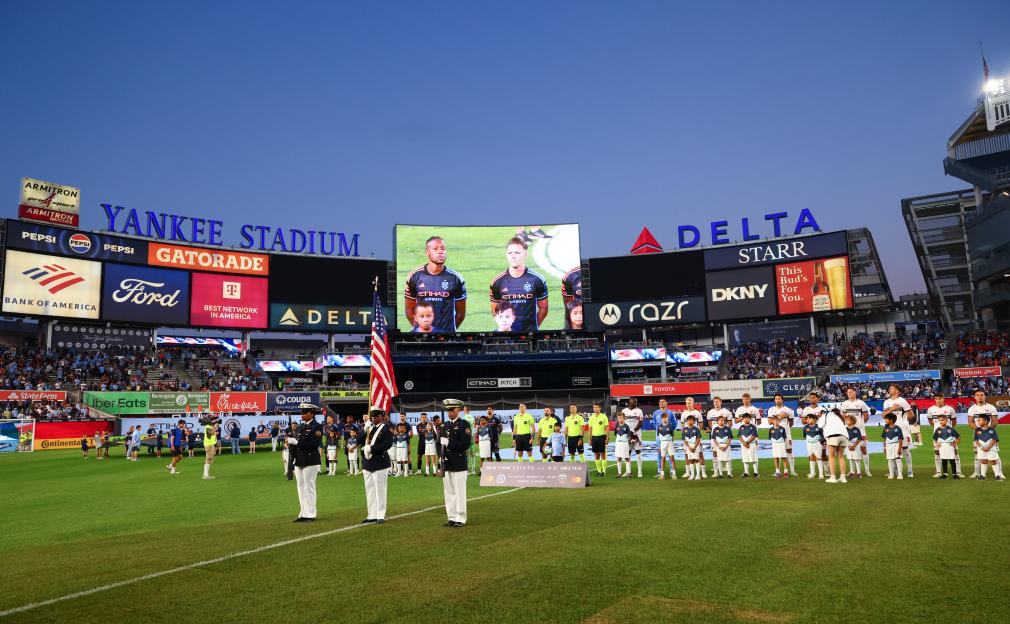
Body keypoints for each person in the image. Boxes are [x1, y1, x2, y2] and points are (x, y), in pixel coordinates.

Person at [403, 235, 467, 332]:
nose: (441, 251)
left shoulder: (456, 278)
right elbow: (409, 310)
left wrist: (446, 333)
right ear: (427, 252)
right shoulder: (414, 276)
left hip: (446, 338)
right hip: (421, 337)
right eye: (435, 249)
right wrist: (423, 330)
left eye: (443, 248)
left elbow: (461, 314)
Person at [489, 236, 549, 332]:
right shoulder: (497, 282)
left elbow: (544, 309)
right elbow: (495, 311)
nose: (513, 256)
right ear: (506, 255)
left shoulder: (537, 279)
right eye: (510, 253)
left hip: (529, 335)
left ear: (525, 254)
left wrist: (532, 328)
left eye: (517, 252)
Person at [441, 399, 471, 528]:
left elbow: (465, 444)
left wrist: (449, 444)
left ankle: (461, 517)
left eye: (452, 410)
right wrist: (441, 457)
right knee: (449, 493)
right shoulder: (445, 426)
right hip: (447, 463)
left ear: (458, 410)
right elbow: (440, 444)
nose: (449, 413)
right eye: (448, 410)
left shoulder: (464, 424)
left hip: (459, 463)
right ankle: (452, 517)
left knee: (459, 492)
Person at [360, 405, 393, 524]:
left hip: (380, 462)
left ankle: (380, 514)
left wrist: (371, 448)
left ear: (382, 417)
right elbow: (359, 441)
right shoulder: (370, 428)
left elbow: (387, 445)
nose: (374, 418)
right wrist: (364, 429)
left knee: (380, 489)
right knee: (369, 490)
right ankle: (371, 515)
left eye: (377, 416)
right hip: (367, 463)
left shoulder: (386, 429)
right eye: (372, 416)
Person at [291, 404, 324, 522]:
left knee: (309, 487)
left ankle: (310, 514)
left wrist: (297, 443)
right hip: (299, 460)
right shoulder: (301, 427)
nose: (302, 415)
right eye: (302, 412)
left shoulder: (317, 426)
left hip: (310, 460)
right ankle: (303, 512)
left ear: (311, 413)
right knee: (300, 487)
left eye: (305, 412)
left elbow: (314, 444)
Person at [881, 385, 914, 478]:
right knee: (892, 450)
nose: (890, 390)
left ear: (897, 391)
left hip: (903, 429)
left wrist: (904, 422)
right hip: (890, 429)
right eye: (889, 388)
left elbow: (911, 415)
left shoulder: (902, 401)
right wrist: (891, 409)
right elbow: (883, 415)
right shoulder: (886, 402)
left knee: (905, 450)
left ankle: (910, 470)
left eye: (892, 388)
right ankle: (894, 471)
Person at [840, 387, 872, 477]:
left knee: (863, 449)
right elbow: (843, 417)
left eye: (851, 392)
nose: (849, 393)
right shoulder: (844, 404)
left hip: (860, 430)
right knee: (850, 449)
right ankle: (852, 471)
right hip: (849, 431)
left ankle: (866, 470)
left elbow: (866, 417)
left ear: (855, 392)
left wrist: (860, 425)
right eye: (848, 392)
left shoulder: (861, 403)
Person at [967, 390, 1000, 479]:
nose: (980, 396)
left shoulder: (991, 407)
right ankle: (977, 472)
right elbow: (970, 422)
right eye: (978, 395)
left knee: (994, 453)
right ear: (975, 397)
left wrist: (988, 431)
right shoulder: (972, 409)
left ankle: (999, 473)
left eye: (982, 395)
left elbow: (995, 421)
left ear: (984, 396)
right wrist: (978, 430)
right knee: (977, 453)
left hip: (990, 434)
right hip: (978, 434)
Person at [926, 393, 957, 478]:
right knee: (937, 452)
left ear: (943, 399)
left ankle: (957, 472)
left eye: (940, 398)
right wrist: (938, 429)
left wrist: (948, 430)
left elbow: (954, 421)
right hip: (938, 436)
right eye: (936, 398)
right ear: (934, 399)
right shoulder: (931, 409)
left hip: (949, 436)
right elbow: (930, 420)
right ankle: (938, 471)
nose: (938, 400)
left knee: (954, 452)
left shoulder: (950, 409)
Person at [800, 392, 828, 478]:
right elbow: (803, 421)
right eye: (810, 398)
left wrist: (820, 417)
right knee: (811, 453)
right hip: (811, 432)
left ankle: (826, 470)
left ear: (818, 399)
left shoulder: (822, 408)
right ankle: (813, 472)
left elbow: (827, 420)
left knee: (823, 452)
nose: (812, 399)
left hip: (822, 432)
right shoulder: (806, 409)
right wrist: (812, 420)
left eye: (814, 397)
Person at [819, 407, 849, 483]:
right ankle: (843, 477)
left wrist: (821, 416)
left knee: (831, 457)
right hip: (844, 436)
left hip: (833, 436)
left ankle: (833, 477)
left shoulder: (826, 414)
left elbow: (820, 425)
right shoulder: (840, 417)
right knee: (841, 457)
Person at [706, 397, 733, 478]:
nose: (716, 403)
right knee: (714, 452)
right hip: (715, 436)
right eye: (714, 402)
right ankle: (716, 471)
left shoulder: (726, 412)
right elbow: (710, 423)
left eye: (717, 402)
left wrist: (724, 430)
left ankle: (728, 469)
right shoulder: (710, 412)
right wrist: (713, 430)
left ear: (720, 402)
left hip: (724, 436)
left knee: (726, 452)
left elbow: (730, 423)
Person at [973, 414, 1003, 481]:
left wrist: (988, 447)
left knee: (993, 461)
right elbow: (976, 440)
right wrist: (981, 447)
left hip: (991, 449)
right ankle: (983, 475)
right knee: (983, 461)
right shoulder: (977, 430)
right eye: (977, 420)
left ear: (986, 421)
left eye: (979, 420)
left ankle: (997, 475)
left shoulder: (991, 430)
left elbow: (994, 439)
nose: (978, 422)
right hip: (982, 449)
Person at [680, 398, 705, 478]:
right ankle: (688, 472)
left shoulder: (697, 413)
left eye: (690, 403)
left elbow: (701, 426)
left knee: (700, 454)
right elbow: (683, 425)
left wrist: (695, 432)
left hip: (696, 437)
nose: (688, 404)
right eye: (687, 403)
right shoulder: (683, 413)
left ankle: (703, 472)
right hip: (687, 437)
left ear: (693, 403)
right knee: (687, 454)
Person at [653, 399, 678, 477]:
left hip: (668, 436)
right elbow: (655, 423)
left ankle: (671, 471)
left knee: (670, 454)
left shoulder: (670, 413)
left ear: (666, 403)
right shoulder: (655, 413)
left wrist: (668, 431)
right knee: (659, 452)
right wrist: (659, 431)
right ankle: (659, 471)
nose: (661, 403)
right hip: (659, 436)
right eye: (660, 402)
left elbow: (674, 424)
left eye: (663, 402)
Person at [621, 398, 645, 478]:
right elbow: (622, 422)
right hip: (628, 435)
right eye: (634, 402)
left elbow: (641, 423)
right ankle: (628, 471)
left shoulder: (639, 411)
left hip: (637, 434)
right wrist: (628, 432)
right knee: (627, 454)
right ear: (629, 402)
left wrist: (633, 430)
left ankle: (640, 471)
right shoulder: (624, 411)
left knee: (638, 453)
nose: (635, 403)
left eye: (636, 402)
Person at [932, 414, 959, 480]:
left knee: (952, 459)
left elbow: (958, 437)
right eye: (939, 420)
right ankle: (945, 474)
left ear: (947, 420)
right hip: (942, 446)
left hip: (949, 445)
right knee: (944, 459)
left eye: (942, 420)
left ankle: (954, 474)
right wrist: (937, 443)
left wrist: (955, 443)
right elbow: (934, 438)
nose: (941, 422)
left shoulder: (951, 429)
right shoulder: (938, 429)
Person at [588, 403, 609, 477]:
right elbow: (590, 429)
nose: (595, 409)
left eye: (596, 407)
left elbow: (607, 428)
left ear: (600, 408)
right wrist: (589, 439)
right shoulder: (591, 417)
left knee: (603, 454)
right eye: (594, 407)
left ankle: (604, 471)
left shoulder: (604, 416)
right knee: (596, 455)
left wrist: (606, 438)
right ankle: (599, 471)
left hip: (602, 437)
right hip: (594, 438)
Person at [803, 413, 825, 480]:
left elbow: (823, 436)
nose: (808, 420)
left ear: (815, 419)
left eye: (809, 418)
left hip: (817, 444)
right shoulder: (805, 427)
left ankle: (821, 474)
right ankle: (812, 473)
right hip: (809, 444)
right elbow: (805, 436)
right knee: (811, 457)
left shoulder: (819, 427)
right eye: (807, 419)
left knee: (818, 458)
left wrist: (821, 442)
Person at [882, 414, 904, 480]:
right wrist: (884, 447)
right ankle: (891, 474)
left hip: (896, 445)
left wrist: (899, 448)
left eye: (886, 419)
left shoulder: (898, 428)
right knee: (890, 460)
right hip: (888, 445)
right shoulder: (886, 427)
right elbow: (884, 438)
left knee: (898, 459)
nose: (885, 420)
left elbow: (900, 439)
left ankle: (900, 474)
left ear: (891, 420)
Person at [655, 412, 676, 480]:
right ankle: (662, 474)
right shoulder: (659, 427)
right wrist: (659, 446)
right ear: (661, 419)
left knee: (672, 458)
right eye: (663, 418)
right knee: (663, 459)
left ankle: (673, 474)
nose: (664, 419)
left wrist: (671, 444)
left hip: (669, 443)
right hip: (662, 444)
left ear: (668, 418)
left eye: (666, 417)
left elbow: (672, 437)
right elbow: (659, 437)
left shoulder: (670, 426)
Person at [681, 415, 703, 480]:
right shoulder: (684, 429)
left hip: (695, 445)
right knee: (691, 460)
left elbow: (698, 438)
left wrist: (695, 447)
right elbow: (684, 439)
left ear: (694, 421)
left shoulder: (696, 429)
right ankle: (692, 475)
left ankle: (698, 475)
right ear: (687, 421)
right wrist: (688, 447)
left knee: (697, 459)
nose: (690, 421)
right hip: (689, 446)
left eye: (691, 420)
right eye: (689, 420)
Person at [738, 413, 759, 478]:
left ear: (750, 419)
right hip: (744, 445)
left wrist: (747, 443)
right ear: (743, 419)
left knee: (753, 458)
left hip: (751, 444)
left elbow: (754, 435)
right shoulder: (741, 427)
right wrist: (744, 443)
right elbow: (739, 436)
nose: (746, 419)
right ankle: (746, 472)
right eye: (745, 418)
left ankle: (756, 473)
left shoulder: (753, 427)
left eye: (747, 418)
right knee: (745, 458)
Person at [614, 412, 631, 478]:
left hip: (624, 443)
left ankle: (629, 473)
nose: (620, 419)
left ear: (624, 418)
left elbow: (629, 436)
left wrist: (628, 442)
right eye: (618, 418)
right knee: (618, 458)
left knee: (626, 458)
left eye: (621, 418)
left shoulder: (627, 426)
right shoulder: (616, 426)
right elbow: (616, 434)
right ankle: (619, 473)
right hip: (618, 444)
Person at [461, 405, 477, 475]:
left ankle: (468, 469)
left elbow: (471, 426)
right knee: (472, 453)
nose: (463, 410)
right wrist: (474, 434)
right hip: (471, 437)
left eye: (464, 409)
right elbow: (474, 426)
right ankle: (472, 469)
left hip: (467, 438)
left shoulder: (465, 417)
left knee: (467, 453)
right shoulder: (471, 417)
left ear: (466, 410)